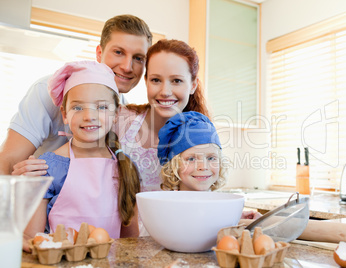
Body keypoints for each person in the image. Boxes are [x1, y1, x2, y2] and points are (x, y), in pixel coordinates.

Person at [0, 14, 152, 175]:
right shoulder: (46, 91)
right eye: (119, 52)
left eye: (138, 58)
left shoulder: (125, 112)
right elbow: (9, 161)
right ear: (99, 53)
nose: (128, 67)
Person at [24, 61, 140, 252]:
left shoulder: (125, 167)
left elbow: (132, 243)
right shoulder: (48, 166)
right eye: (78, 108)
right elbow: (33, 240)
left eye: (102, 107)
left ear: (117, 114)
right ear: (64, 114)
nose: (89, 116)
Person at [117, 39, 210, 192]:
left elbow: (202, 197)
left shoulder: (201, 136)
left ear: (193, 85)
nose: (165, 91)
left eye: (176, 81)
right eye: (156, 80)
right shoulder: (120, 119)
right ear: (146, 81)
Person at [157, 111, 262, 220]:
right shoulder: (169, 207)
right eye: (191, 159)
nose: (203, 166)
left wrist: (238, 218)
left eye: (211, 158)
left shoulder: (222, 205)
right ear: (174, 167)